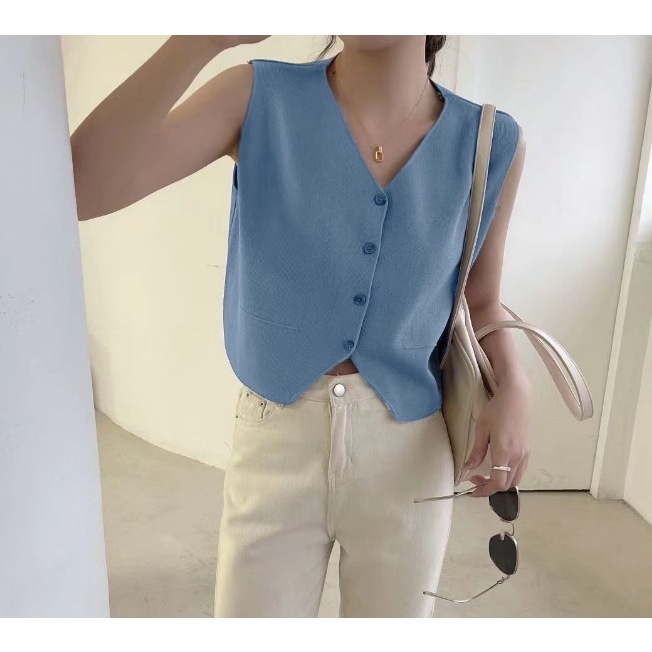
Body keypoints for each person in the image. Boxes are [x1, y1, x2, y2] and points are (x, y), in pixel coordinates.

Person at [71, 35, 533, 618]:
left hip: (409, 455)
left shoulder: (489, 140)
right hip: (274, 441)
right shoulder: (258, 97)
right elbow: (81, 187)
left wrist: (515, 384)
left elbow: (481, 298)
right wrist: (199, 38)